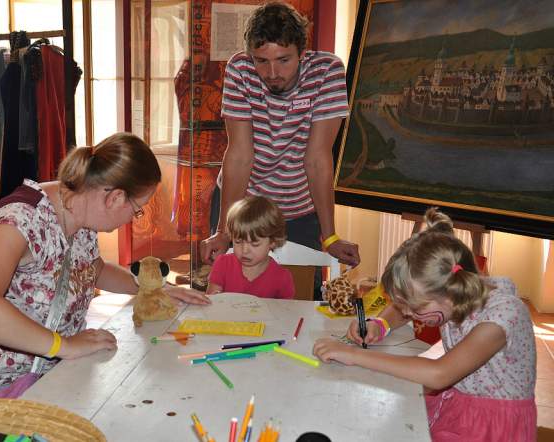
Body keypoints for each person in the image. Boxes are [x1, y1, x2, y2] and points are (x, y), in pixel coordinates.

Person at [0, 132, 210, 412]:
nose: (133, 219)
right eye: (138, 210)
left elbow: (94, 269)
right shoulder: (21, 220)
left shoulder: (80, 218)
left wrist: (152, 288)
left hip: (49, 379)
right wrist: (64, 346)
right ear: (115, 198)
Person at [312, 208, 536, 441]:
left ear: (451, 293)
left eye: (415, 309)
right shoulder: (453, 296)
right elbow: (404, 308)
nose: (407, 313)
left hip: (494, 426)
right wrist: (380, 324)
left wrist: (354, 355)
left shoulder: (501, 317)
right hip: (459, 403)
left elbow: (440, 374)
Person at [200, 2, 361, 294]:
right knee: (230, 295)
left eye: (284, 60)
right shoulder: (240, 69)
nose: (272, 72)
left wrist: (330, 237)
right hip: (244, 204)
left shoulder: (326, 71)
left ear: (302, 52)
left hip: (300, 208)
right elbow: (240, 156)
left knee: (297, 296)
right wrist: (224, 231)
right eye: (262, 61)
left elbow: (317, 159)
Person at [206, 195, 294, 299]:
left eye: (254, 244)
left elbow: (285, 309)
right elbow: (211, 304)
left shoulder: (281, 278)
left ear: (273, 241)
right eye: (238, 242)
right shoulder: (223, 265)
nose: (245, 250)